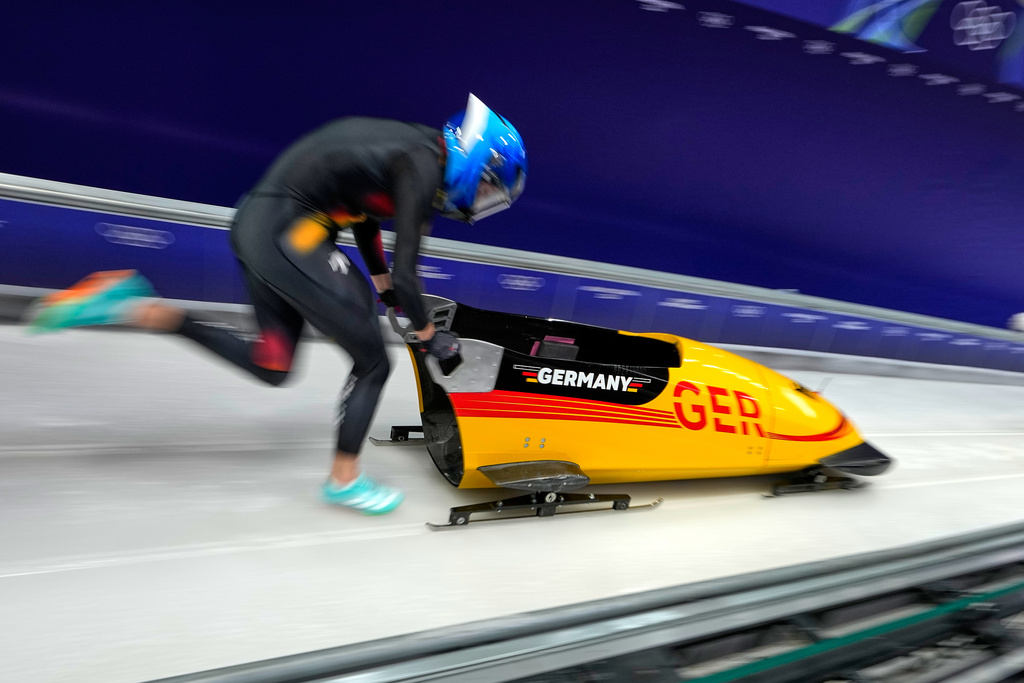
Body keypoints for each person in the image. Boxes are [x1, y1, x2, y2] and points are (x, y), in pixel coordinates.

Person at [29, 93, 527, 515]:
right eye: (488, 185)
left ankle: (135, 306)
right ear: (476, 158)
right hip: (292, 232)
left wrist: (383, 289)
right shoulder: (421, 166)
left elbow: (368, 218)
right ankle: (344, 479)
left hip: (263, 227)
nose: (481, 199)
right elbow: (407, 271)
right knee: (374, 362)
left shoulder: (415, 153)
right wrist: (428, 337)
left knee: (274, 365)